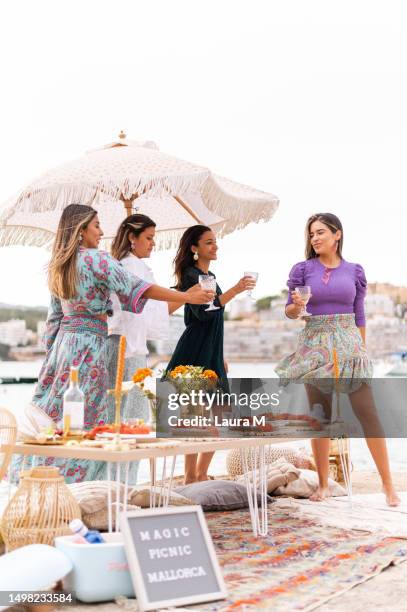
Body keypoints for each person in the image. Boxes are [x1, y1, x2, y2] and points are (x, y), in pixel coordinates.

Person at [17, 204, 213, 484]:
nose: (101, 231)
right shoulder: (97, 260)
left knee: (58, 418)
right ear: (81, 229)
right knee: (91, 420)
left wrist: (50, 358)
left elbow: (54, 319)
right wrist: (185, 297)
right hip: (90, 348)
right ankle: (87, 487)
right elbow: (136, 287)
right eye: (96, 225)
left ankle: (42, 480)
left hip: (62, 349)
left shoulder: (59, 264)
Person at [275, 212, 400, 506]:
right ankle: (322, 484)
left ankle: (387, 485)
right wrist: (295, 305)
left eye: (320, 232)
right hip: (314, 342)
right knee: (321, 415)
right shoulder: (302, 269)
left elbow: (359, 313)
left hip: (349, 343)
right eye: (311, 234)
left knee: (368, 413)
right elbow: (290, 313)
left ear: (337, 234)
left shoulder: (354, 271)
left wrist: (362, 349)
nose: (315, 238)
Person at [165, 224, 256, 484]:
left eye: (215, 242)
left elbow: (215, 318)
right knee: (196, 414)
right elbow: (203, 313)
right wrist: (236, 290)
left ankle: (199, 473)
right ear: (194, 248)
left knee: (219, 412)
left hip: (211, 349)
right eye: (208, 242)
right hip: (194, 350)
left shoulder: (210, 275)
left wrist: (220, 353)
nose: (215, 246)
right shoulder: (190, 275)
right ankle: (192, 476)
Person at [107, 214, 189, 483]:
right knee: (132, 425)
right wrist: (187, 295)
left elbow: (157, 312)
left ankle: (120, 486)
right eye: (149, 238)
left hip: (131, 349)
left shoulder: (132, 266)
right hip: (126, 350)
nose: (153, 243)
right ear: (132, 237)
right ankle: (123, 488)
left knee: (124, 422)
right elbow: (143, 302)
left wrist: (186, 295)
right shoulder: (130, 268)